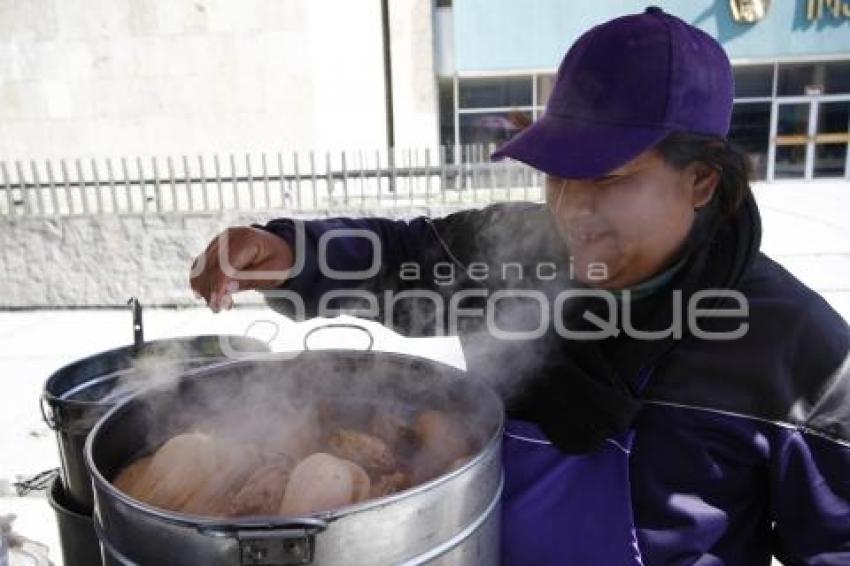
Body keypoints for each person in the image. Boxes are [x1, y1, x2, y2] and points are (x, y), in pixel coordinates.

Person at [190, 7, 850, 564]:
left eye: (607, 180)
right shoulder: (509, 253)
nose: (570, 210)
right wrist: (289, 253)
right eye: (558, 174)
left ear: (701, 180)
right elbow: (401, 257)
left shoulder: (798, 349)